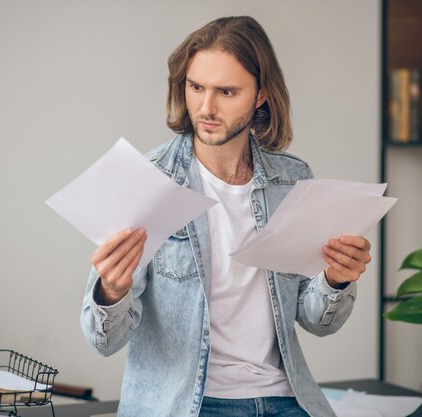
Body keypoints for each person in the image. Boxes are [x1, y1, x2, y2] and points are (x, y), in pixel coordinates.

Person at [81, 16, 371, 417]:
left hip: (286, 397)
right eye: (196, 87)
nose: (206, 107)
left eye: (227, 92)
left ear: (260, 96)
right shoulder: (149, 183)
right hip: (190, 404)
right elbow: (104, 341)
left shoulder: (293, 180)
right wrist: (112, 290)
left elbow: (316, 321)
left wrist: (337, 279)